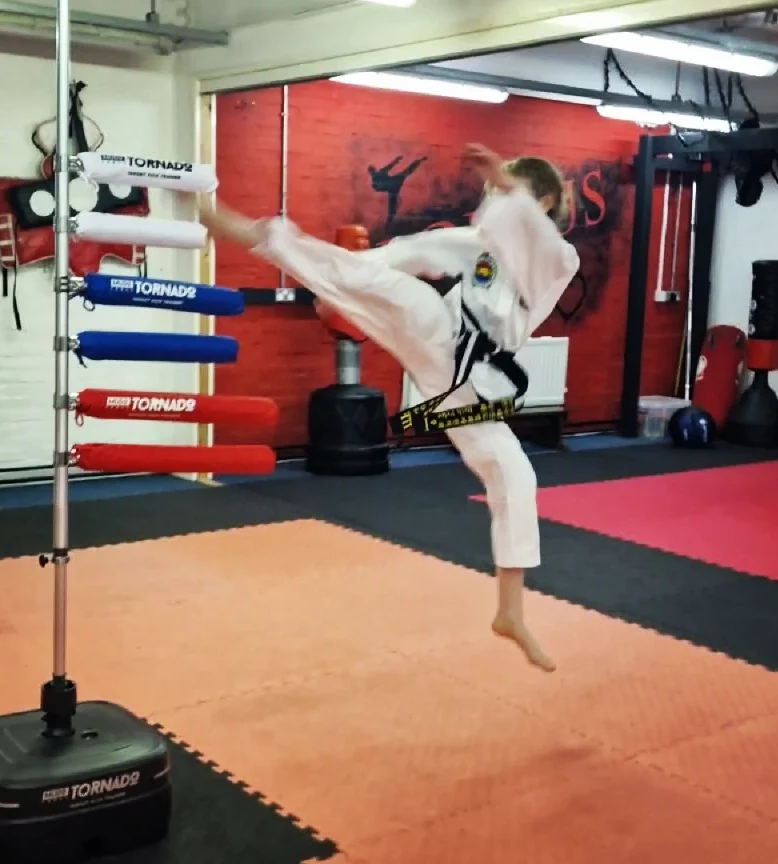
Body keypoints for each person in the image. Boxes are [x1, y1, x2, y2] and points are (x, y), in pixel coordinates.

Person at [193, 143, 579, 672]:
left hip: (472, 382)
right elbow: (413, 251)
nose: (496, 197)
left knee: (514, 474)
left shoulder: (558, 257)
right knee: (392, 288)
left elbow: (536, 239)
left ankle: (509, 612)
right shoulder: (477, 244)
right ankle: (244, 230)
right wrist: (340, 285)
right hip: (440, 334)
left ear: (545, 201)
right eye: (493, 189)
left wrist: (508, 185)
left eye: (508, 191)